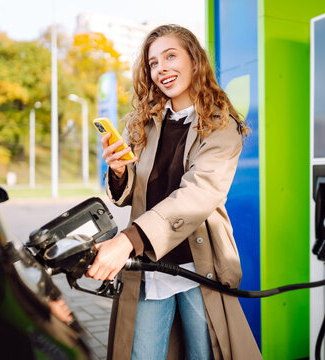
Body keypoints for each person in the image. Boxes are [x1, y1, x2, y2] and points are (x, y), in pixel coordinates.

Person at [86, 24, 261, 360]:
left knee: (204, 353)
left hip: (199, 266)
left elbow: (198, 194)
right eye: (153, 63)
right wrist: (120, 170)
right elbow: (126, 195)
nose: (161, 68)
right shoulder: (141, 122)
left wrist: (128, 240)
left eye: (170, 56)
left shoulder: (222, 125)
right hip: (151, 266)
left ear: (194, 61)